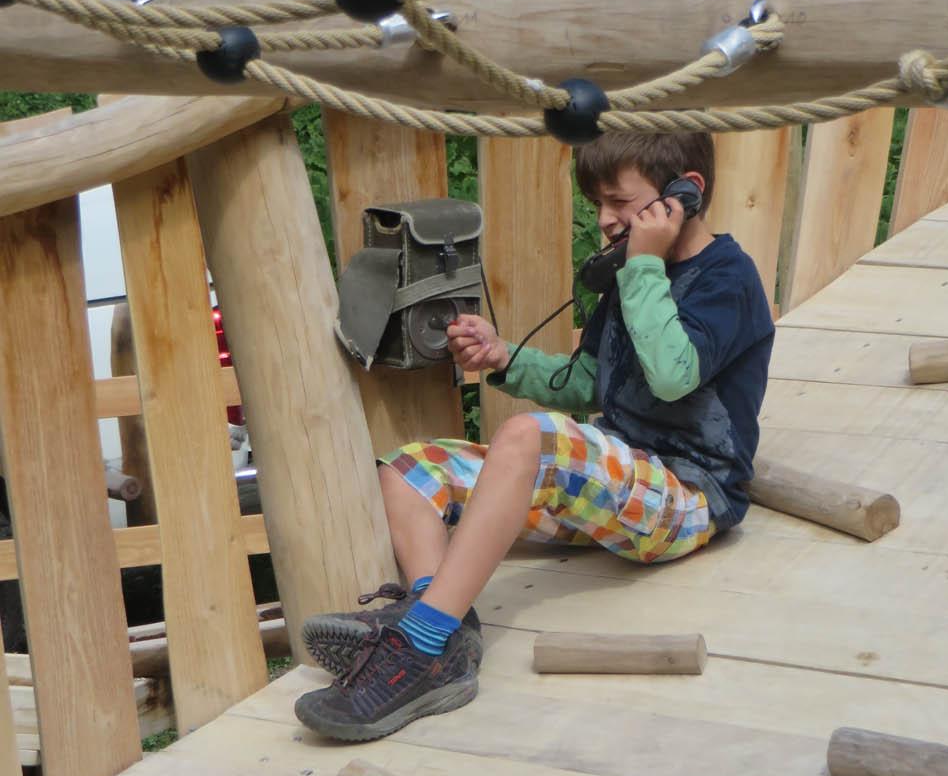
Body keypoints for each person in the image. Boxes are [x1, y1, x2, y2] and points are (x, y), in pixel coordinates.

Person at [295, 130, 775, 741]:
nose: (604, 220)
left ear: (686, 193)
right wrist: (501, 357)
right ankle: (441, 627)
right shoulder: (633, 274)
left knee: (527, 437)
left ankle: (414, 651)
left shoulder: (725, 279)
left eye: (619, 202)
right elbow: (586, 385)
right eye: (596, 204)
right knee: (407, 470)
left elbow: (672, 375)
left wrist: (644, 264)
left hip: (685, 500)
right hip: (614, 488)